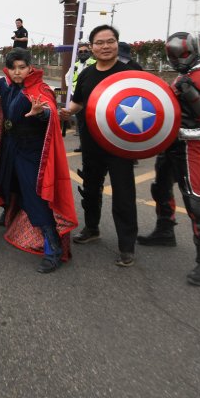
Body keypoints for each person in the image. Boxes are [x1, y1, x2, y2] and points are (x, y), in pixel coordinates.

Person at [0, 48, 78, 272]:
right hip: (10, 147)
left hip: (31, 151)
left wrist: (40, 112)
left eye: (22, 67)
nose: (17, 72)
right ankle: (10, 215)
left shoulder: (39, 88)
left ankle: (52, 247)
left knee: (36, 196)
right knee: (6, 183)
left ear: (30, 67)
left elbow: (49, 108)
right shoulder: (7, 85)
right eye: (13, 68)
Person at [137, 32, 200, 286]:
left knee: (194, 199)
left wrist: (186, 89)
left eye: (181, 54)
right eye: (173, 55)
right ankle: (165, 230)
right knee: (160, 187)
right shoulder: (187, 74)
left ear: (193, 50)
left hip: (190, 144)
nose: (177, 59)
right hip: (172, 142)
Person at [59, 25, 138, 266]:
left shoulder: (131, 72)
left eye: (110, 41)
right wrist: (65, 112)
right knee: (91, 189)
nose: (105, 46)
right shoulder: (87, 74)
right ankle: (92, 229)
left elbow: (147, 104)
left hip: (121, 145)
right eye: (100, 42)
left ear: (117, 43)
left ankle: (127, 246)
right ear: (91, 47)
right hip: (92, 141)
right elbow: (77, 104)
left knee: (124, 195)